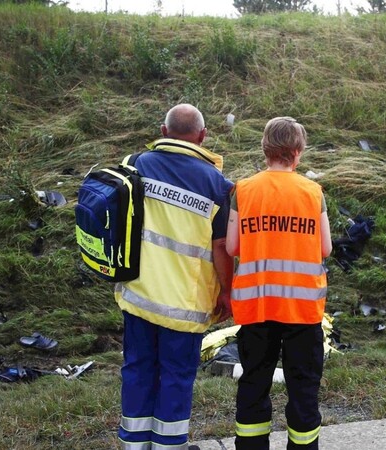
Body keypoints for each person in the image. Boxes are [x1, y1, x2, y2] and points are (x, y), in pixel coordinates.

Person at [116, 103, 234, 450]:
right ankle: (169, 447)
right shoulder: (217, 186)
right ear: (202, 137)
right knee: (177, 377)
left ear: (164, 132)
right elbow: (222, 248)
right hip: (184, 305)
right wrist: (227, 292)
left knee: (137, 369)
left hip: (138, 295)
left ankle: (134, 445)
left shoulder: (136, 165)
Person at [225, 117, 332, 450]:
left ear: (265, 149)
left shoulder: (243, 190)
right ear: (297, 152)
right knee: (303, 389)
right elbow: (325, 248)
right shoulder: (312, 192)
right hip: (302, 311)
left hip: (257, 307)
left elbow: (231, 247)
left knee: (254, 384)